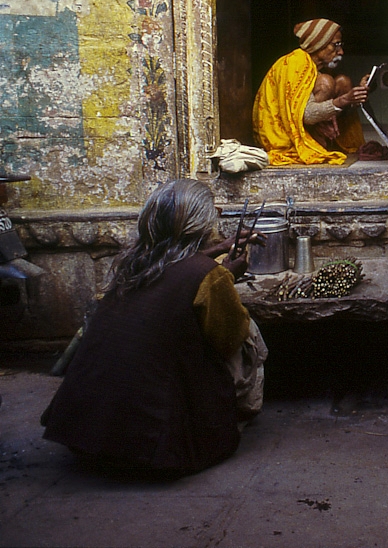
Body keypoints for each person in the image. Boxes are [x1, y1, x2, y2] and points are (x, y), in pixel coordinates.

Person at [41, 179, 267, 476]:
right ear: (200, 227)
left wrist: (217, 251)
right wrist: (225, 275)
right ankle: (233, 413)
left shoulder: (132, 261)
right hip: (154, 446)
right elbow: (228, 338)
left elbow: (172, 266)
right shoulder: (209, 277)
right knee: (250, 337)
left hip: (87, 433)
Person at [252, 18, 370, 165]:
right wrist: (344, 100)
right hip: (282, 139)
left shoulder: (314, 67)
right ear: (318, 44)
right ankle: (315, 142)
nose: (341, 51)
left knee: (343, 82)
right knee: (326, 82)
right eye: (336, 45)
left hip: (306, 122)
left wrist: (359, 93)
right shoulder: (297, 63)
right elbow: (306, 115)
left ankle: (325, 140)